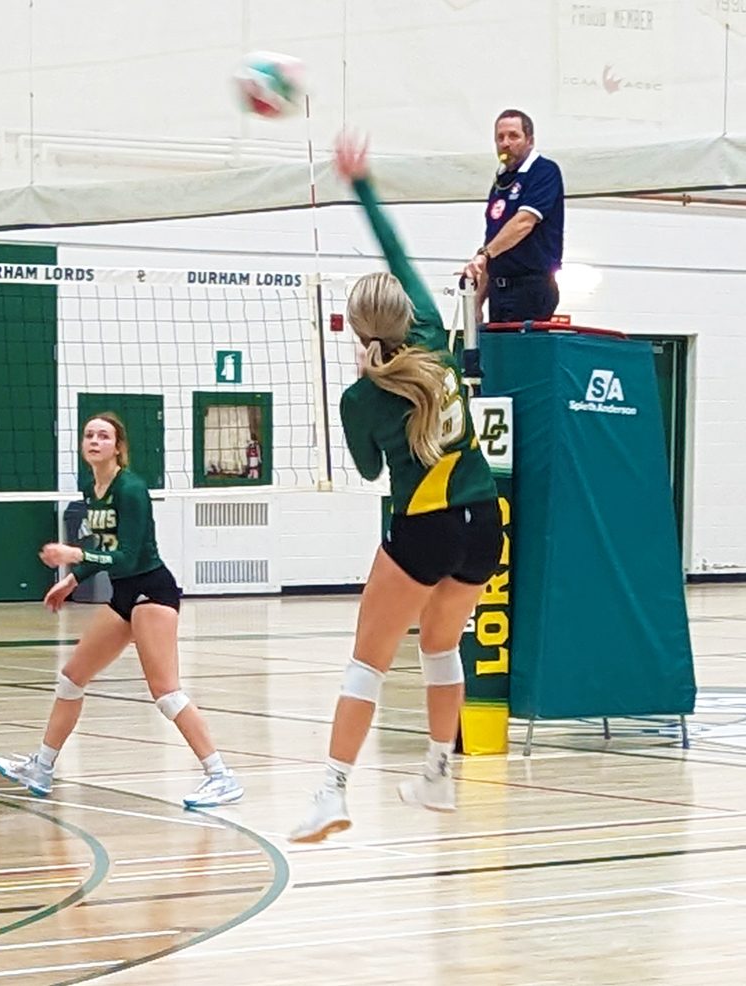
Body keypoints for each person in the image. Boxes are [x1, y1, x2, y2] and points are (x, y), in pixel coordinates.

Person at [289, 134, 503, 843]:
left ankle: (332, 790)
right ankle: (438, 770)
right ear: (405, 313)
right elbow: (397, 252)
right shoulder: (437, 337)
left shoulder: (363, 396)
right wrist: (364, 184)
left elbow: (368, 472)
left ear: (358, 328)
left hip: (424, 527)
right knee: (441, 649)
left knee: (366, 662)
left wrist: (362, 393)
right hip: (483, 522)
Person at [0, 413, 243, 810]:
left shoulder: (131, 489)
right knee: (72, 678)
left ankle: (221, 775)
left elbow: (127, 557)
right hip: (123, 595)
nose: (94, 440)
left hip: (151, 591)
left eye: (103, 436)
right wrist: (73, 579)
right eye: (89, 435)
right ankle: (42, 767)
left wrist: (74, 554)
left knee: (165, 692)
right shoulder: (91, 487)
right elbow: (106, 545)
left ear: (118, 447)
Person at [464, 109, 564, 324]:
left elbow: (523, 223)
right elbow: (493, 242)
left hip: (530, 288)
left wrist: (484, 254)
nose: (505, 143)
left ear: (530, 140)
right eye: (500, 138)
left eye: (513, 136)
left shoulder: (544, 171)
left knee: (521, 354)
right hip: (499, 291)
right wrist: (477, 301)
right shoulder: (501, 181)